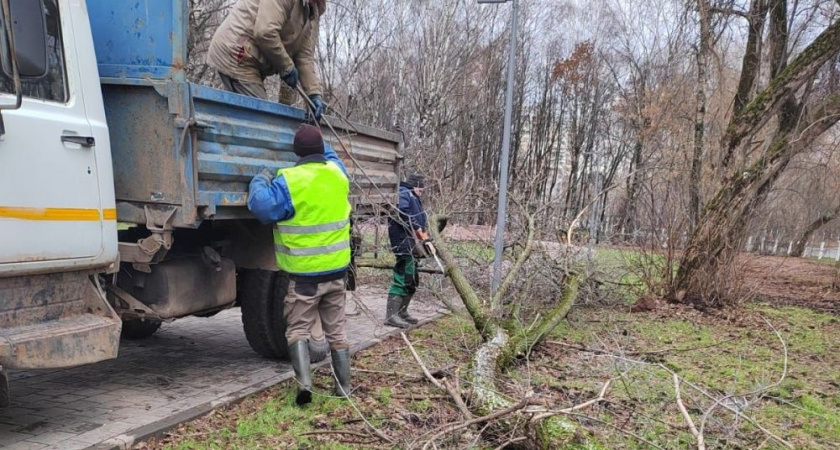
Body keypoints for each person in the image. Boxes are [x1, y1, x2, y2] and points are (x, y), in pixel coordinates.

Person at [248, 124, 351, 405]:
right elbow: (331, 155)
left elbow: (263, 208)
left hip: (305, 277)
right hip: (337, 272)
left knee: (297, 330)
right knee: (337, 330)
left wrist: (260, 179)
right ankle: (344, 388)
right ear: (321, 150)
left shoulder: (289, 181)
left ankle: (305, 385)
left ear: (295, 152)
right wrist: (316, 130)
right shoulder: (338, 174)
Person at [207, 0, 325, 119]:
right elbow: (266, 32)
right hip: (237, 51)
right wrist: (286, 66)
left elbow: (303, 56)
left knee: (248, 118)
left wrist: (313, 93)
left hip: (251, 57)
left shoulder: (308, 10)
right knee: (261, 119)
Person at [385, 173, 429, 328]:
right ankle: (391, 316)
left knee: (412, 279)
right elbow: (403, 213)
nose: (421, 193)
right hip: (403, 242)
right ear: (415, 186)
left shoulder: (413, 197)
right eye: (421, 190)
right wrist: (417, 226)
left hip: (412, 243)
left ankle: (402, 311)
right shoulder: (404, 193)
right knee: (403, 277)